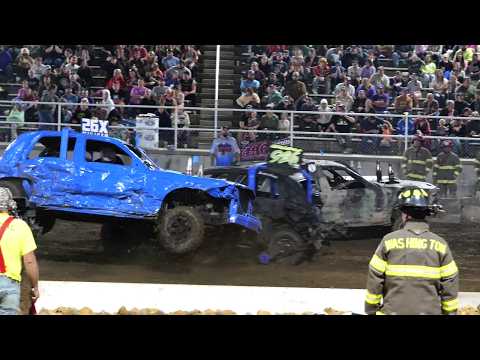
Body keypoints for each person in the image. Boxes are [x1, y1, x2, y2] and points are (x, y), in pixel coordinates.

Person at [365, 187, 459, 315]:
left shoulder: (388, 241)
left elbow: (375, 278)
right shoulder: (440, 244)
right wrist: (449, 311)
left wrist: (371, 309)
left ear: (406, 215)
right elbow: (450, 281)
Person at [0, 187, 39, 315]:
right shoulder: (20, 226)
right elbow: (29, 262)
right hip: (9, 284)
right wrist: (35, 286)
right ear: (10, 205)